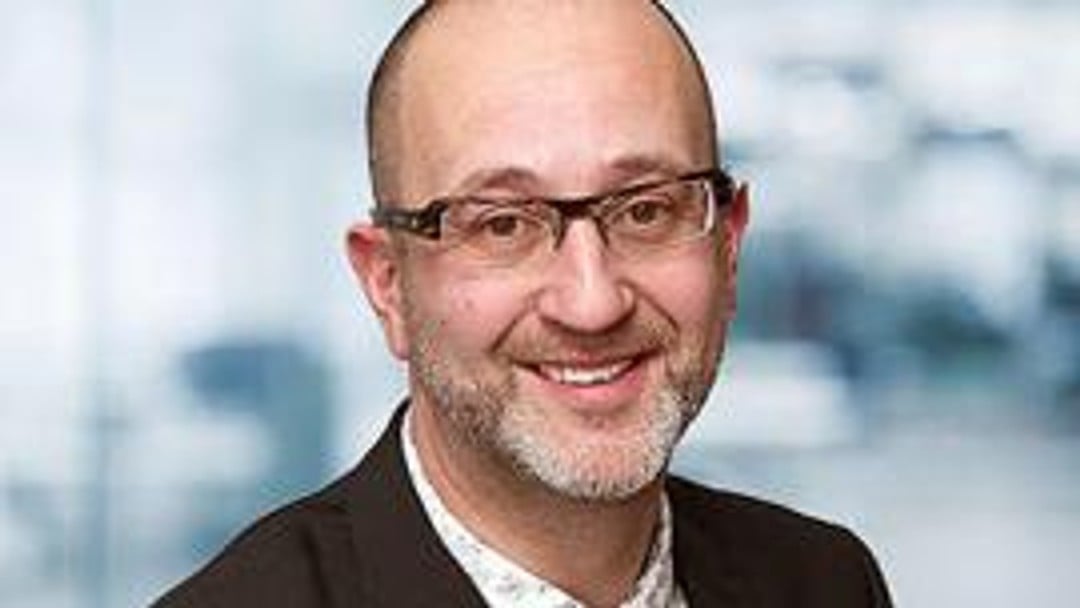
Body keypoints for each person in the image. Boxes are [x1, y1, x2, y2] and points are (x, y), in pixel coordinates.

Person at [153, 1, 892, 606]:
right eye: (503, 225)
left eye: (646, 210)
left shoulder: (823, 583)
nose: (592, 303)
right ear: (388, 284)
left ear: (728, 247)